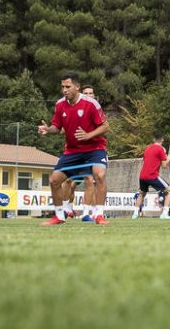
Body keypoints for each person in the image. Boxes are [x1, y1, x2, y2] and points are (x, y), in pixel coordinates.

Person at [38, 73, 110, 225]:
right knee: (54, 180)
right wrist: (47, 130)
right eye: (63, 87)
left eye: (68, 86)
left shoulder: (91, 104)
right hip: (72, 151)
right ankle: (59, 216)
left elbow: (105, 126)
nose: (64, 90)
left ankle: (98, 215)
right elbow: (56, 127)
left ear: (77, 87)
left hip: (95, 148)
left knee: (99, 175)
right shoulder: (59, 105)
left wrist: (88, 135)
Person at [62, 85, 97, 222]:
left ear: (94, 96)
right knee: (69, 181)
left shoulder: (96, 110)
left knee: (89, 181)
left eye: (91, 93)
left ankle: (87, 213)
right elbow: (63, 129)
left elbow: (102, 129)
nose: (88, 95)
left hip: (90, 153)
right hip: (73, 152)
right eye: (86, 93)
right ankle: (66, 209)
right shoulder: (73, 109)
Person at [132, 133, 170, 219]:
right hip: (152, 175)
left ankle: (135, 214)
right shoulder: (161, 149)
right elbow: (164, 166)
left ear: (154, 140)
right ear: (162, 140)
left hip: (142, 176)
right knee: (169, 191)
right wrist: (169, 159)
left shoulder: (147, 148)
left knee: (142, 193)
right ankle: (164, 213)